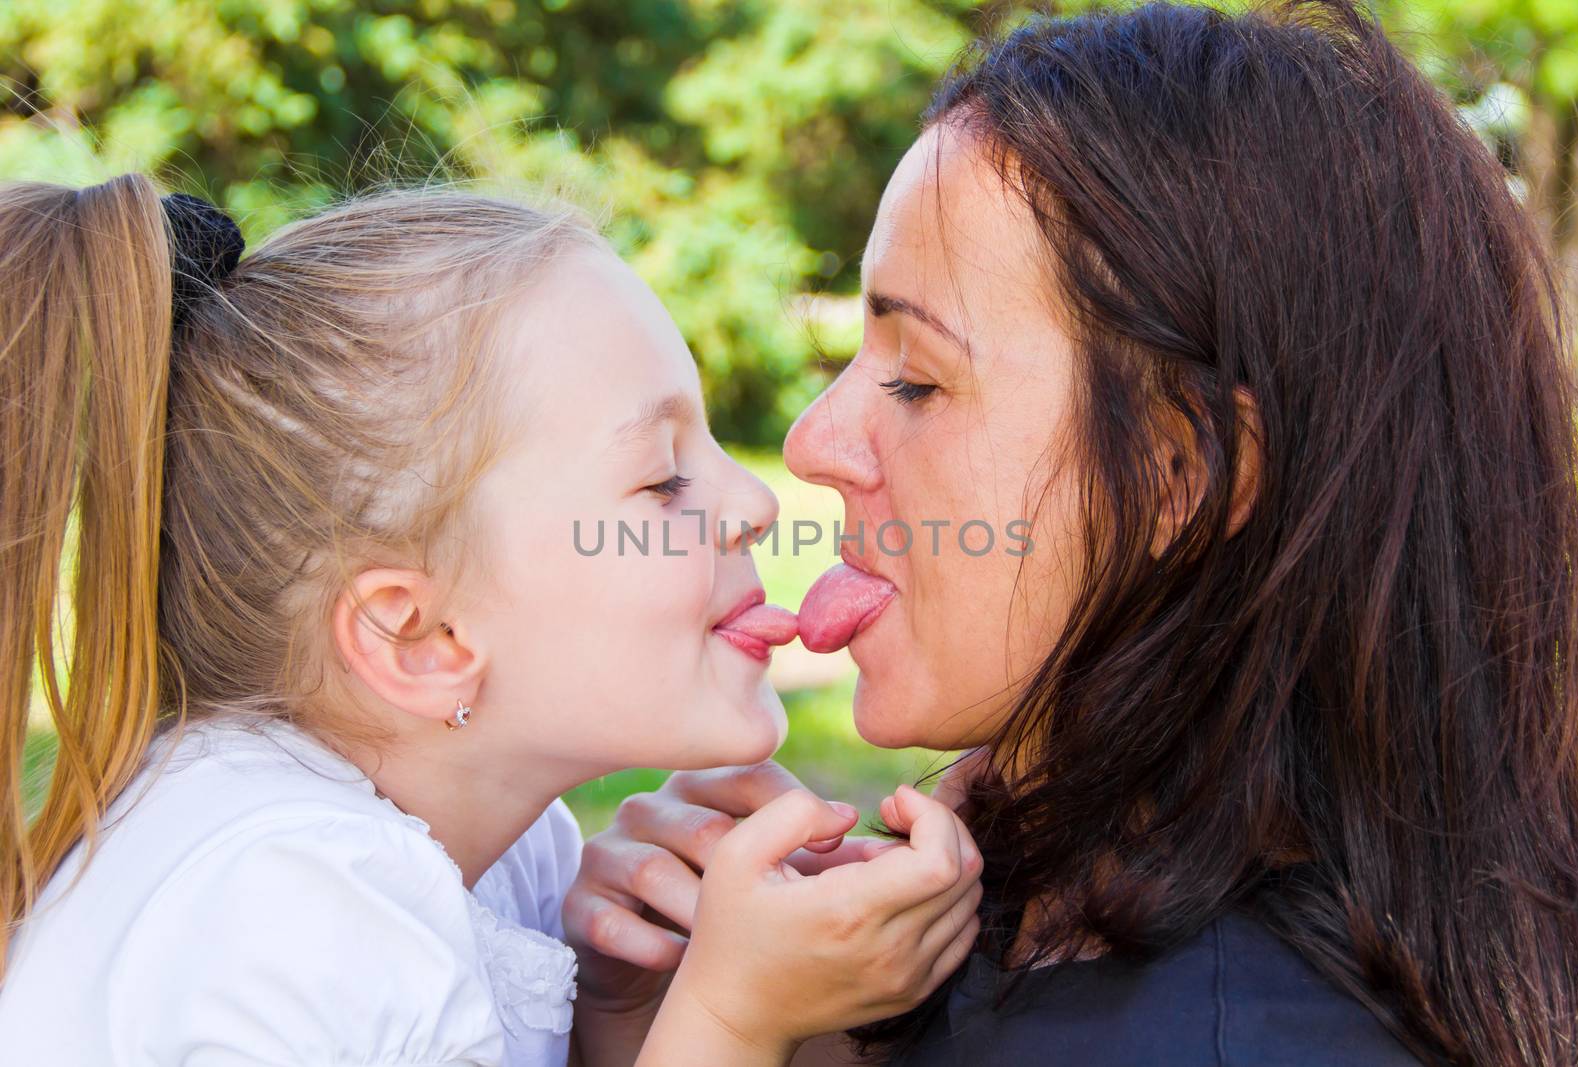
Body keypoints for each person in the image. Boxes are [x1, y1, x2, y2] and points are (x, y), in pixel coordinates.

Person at [565, 2, 1578, 1063]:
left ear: (1179, 473)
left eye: (917, 380)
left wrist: (727, 1027)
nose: (813, 440)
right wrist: (656, 1011)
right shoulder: (1043, 914)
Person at [0, 180, 982, 1066]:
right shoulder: (290, 914)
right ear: (420, 638)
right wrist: (733, 1019)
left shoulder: (510, 848)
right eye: (659, 478)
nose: (754, 503)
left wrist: (618, 1008)